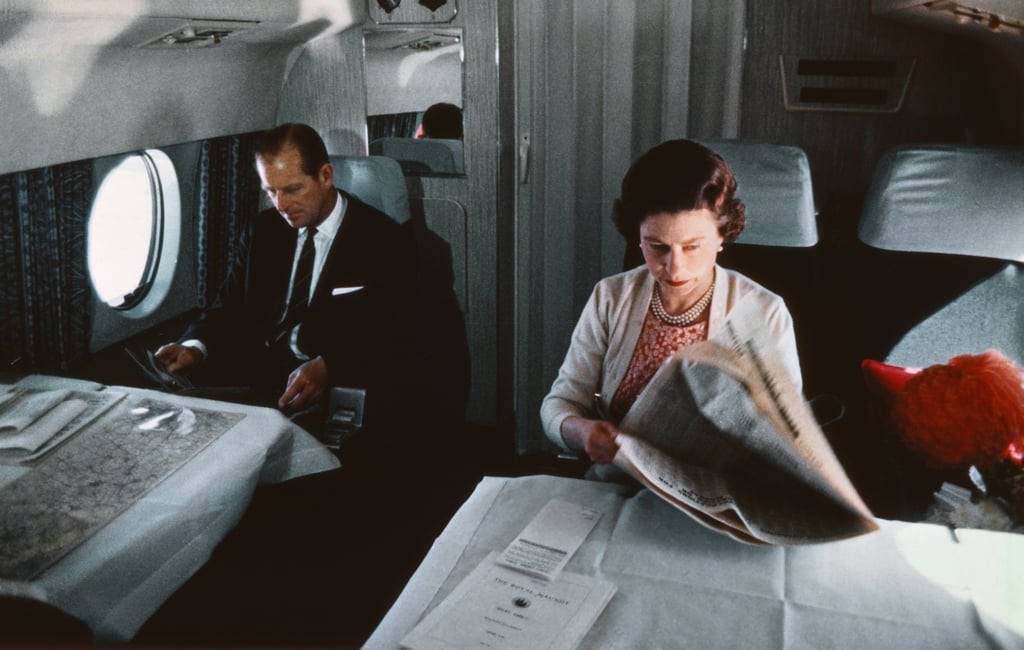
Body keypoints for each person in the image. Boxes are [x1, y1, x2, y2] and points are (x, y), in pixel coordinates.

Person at [540, 139, 802, 465]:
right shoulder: (611, 297)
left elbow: (785, 435)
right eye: (657, 247)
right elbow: (560, 403)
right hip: (617, 483)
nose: (676, 267)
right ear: (637, 236)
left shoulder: (765, 313)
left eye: (693, 247)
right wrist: (582, 432)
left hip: (713, 498)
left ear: (723, 235)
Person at [155, 123, 416, 430]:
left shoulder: (383, 240)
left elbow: (398, 334)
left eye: (292, 189)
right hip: (257, 374)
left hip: (330, 386)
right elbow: (227, 306)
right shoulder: (262, 230)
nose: (281, 205)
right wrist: (195, 347)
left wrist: (330, 367)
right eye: (271, 191)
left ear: (325, 176)